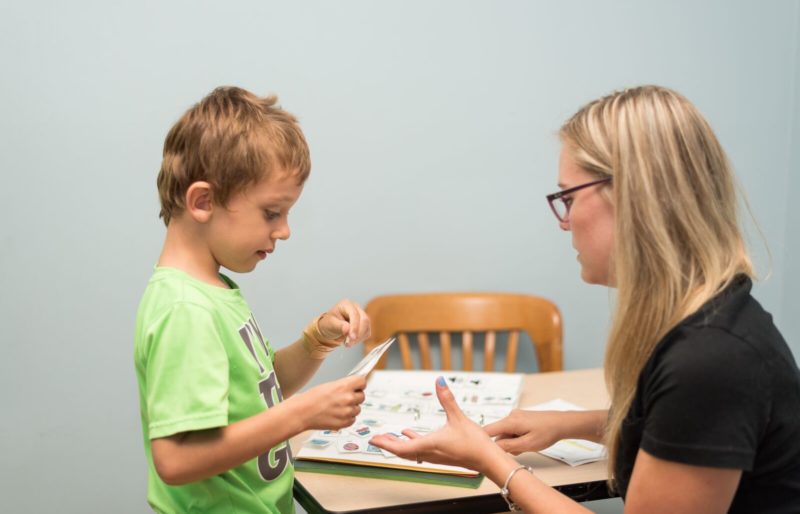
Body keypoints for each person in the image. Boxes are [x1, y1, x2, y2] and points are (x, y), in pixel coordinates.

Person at [370, 85, 800, 513]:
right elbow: (674, 422)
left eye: (569, 198)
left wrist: (494, 463)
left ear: (632, 197)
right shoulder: (708, 319)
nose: (564, 222)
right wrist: (571, 424)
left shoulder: (710, 361)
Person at [134, 86, 370, 513]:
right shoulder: (185, 309)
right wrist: (302, 415)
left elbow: (258, 392)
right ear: (203, 201)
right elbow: (175, 459)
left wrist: (317, 340)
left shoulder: (215, 291)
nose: (284, 231)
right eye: (271, 212)